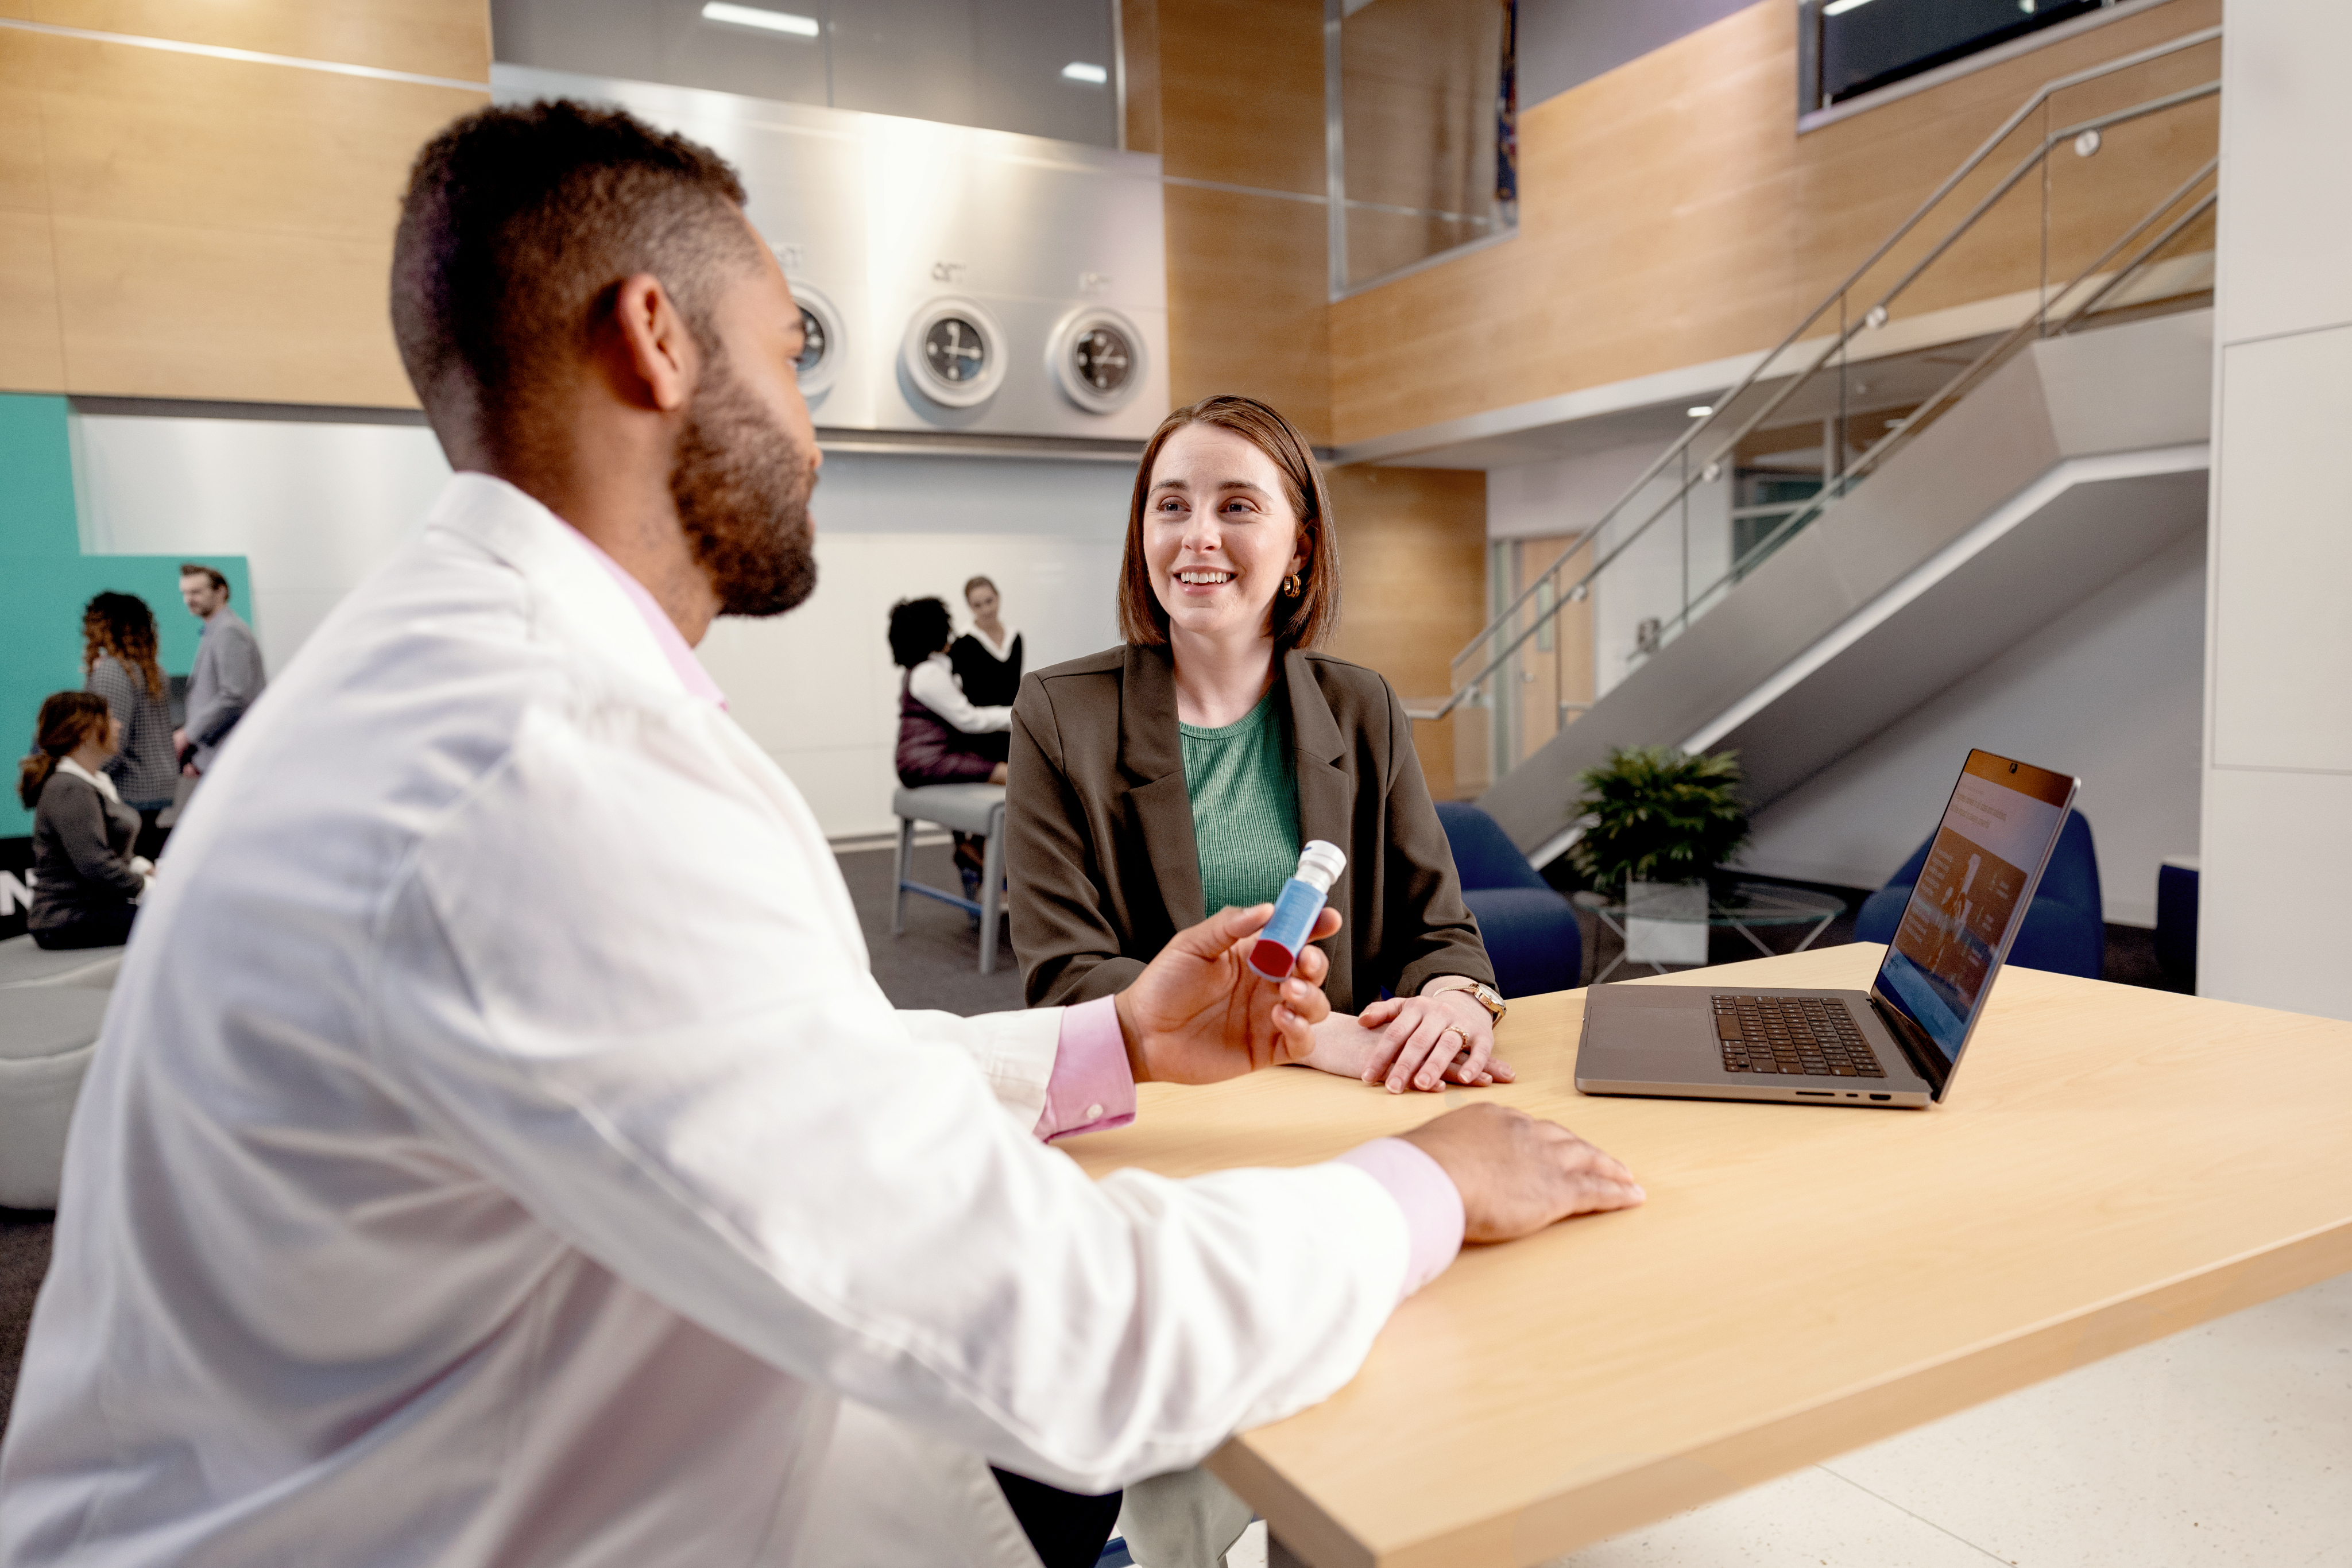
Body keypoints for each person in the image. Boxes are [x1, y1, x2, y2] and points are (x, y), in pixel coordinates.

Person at [0, 101, 1640, 1568]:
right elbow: (1075, 1336)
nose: (816, 430)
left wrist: (1110, 1041)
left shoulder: (466, 682)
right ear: (654, 338)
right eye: (790, 356)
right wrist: (1419, 1187)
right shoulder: (542, 764)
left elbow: (782, 1082)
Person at [1007, 395, 1514, 1100]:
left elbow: (1439, 932)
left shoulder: (1362, 706)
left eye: (1237, 507)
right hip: (1158, 1109)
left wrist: (1458, 1003)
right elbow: (1065, 978)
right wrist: (1318, 1037)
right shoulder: (1060, 713)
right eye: (1171, 506)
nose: (1198, 537)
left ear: (1300, 547)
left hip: (1337, 1104)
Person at [894, 593, 1013, 907]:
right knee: (1017, 778)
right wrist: (1018, 714)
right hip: (929, 762)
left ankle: (974, 851)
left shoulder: (922, 669)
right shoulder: (929, 674)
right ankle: (996, 875)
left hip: (925, 759)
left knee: (997, 774)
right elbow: (969, 720)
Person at [17, 691, 154, 951]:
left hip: (95, 910)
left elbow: (104, 849)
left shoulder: (94, 782)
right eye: (110, 718)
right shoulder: (70, 788)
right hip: (66, 920)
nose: (118, 725)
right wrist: (149, 888)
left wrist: (142, 868)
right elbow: (95, 864)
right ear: (85, 732)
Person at [79, 591, 178, 860]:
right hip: (158, 786)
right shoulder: (153, 670)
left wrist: (85, 776)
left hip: (130, 789)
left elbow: (110, 742)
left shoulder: (113, 671)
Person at [173, 562, 265, 775]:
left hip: (229, 754)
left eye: (196, 592)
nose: (189, 600)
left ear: (221, 592)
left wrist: (187, 736)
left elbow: (234, 696)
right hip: (217, 753)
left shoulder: (228, 631)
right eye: (185, 593)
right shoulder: (216, 631)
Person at [950, 574, 1023, 763]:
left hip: (1012, 731)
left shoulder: (1015, 637)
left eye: (989, 601)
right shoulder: (962, 643)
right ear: (970, 607)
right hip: (980, 738)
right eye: (978, 605)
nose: (986, 610)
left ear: (998, 598)